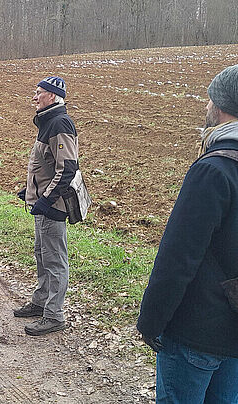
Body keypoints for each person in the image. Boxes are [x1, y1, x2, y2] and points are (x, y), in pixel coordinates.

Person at [137, 65, 238, 403]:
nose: (206, 107)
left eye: (210, 100)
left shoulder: (213, 170)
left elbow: (178, 258)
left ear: (221, 107)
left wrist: (151, 321)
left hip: (197, 331)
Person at [13, 76, 78, 336]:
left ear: (52, 96)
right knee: (42, 255)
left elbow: (67, 169)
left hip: (53, 207)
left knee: (55, 261)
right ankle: (41, 302)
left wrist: (45, 200)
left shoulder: (59, 123)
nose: (34, 96)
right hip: (42, 205)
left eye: (38, 92)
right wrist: (29, 192)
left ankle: (54, 315)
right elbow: (46, 165)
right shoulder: (47, 122)